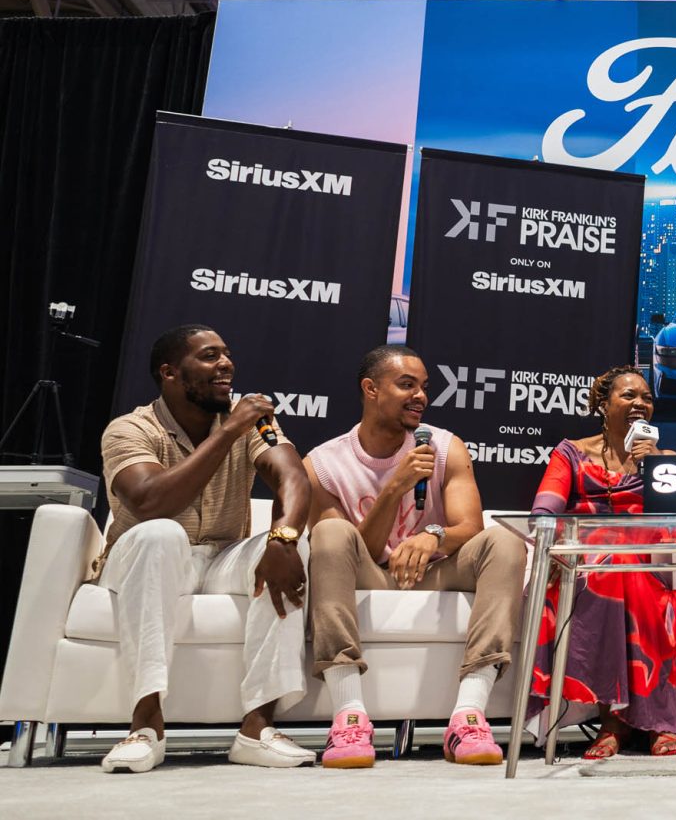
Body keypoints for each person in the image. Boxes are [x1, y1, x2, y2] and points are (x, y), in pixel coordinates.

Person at [94, 324, 314, 773]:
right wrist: (230, 430)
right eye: (210, 357)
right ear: (171, 373)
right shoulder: (130, 429)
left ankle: (257, 729)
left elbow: (292, 477)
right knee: (161, 534)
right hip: (142, 557)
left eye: (227, 355)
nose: (226, 365)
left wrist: (284, 536)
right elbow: (153, 503)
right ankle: (146, 725)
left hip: (219, 556)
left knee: (291, 544)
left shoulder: (253, 423)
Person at [305, 345, 527, 768]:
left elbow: (470, 527)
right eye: (407, 385)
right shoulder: (323, 464)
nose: (421, 396)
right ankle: (349, 717)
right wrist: (395, 486)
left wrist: (434, 534)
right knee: (330, 532)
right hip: (370, 572)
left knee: (506, 541)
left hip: (436, 570)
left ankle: (469, 715)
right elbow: (357, 551)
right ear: (370, 389)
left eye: (425, 387)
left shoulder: (444, 446)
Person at [526, 365, 676, 759]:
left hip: (645, 574)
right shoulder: (572, 453)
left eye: (646, 397)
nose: (640, 403)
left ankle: (615, 721)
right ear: (602, 403)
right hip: (583, 571)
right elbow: (546, 507)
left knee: (628, 564)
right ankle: (646, 720)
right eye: (629, 396)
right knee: (615, 563)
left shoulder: (667, 461)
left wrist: (653, 469)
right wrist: (551, 536)